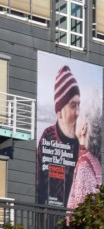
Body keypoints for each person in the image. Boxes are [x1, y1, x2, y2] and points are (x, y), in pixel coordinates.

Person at [36, 64, 84, 208]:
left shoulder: (81, 140)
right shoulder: (47, 136)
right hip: (51, 221)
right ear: (59, 111)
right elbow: (38, 186)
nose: (78, 112)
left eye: (79, 105)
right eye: (72, 105)